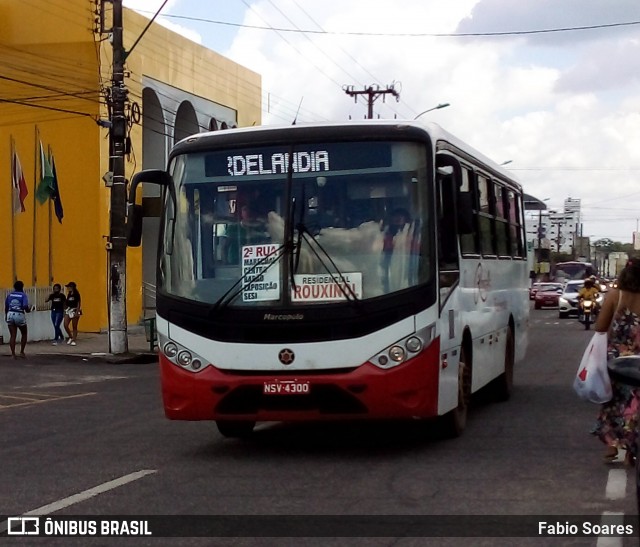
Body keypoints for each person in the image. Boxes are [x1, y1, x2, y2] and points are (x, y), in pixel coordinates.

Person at [592, 260, 640, 465]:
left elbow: (601, 326)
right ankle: (632, 447)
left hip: (617, 361)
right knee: (635, 404)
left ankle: (613, 443)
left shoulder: (614, 296)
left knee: (613, 402)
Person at [4, 280, 33, 359]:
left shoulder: (10, 295)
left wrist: (6, 315)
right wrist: (29, 310)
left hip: (10, 314)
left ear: (14, 287)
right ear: (22, 287)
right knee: (24, 333)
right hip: (19, 314)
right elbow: (24, 306)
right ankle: (22, 352)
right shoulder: (23, 295)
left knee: (12, 335)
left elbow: (6, 306)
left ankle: (13, 354)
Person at [63, 281, 82, 346]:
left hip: (75, 310)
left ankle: (74, 339)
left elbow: (78, 303)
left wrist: (77, 311)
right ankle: (70, 337)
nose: (68, 288)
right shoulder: (69, 294)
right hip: (69, 310)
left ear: (72, 287)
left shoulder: (76, 294)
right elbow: (67, 302)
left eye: (69, 287)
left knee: (74, 326)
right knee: (65, 325)